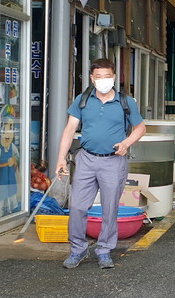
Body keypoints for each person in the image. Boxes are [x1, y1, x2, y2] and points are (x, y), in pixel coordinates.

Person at [57, 58, 146, 269]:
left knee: (109, 209)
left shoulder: (126, 102)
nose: (103, 80)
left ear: (114, 77)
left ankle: (105, 250)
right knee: (78, 207)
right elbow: (70, 130)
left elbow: (140, 128)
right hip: (86, 159)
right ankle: (77, 250)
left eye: (107, 76)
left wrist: (126, 143)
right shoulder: (83, 100)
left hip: (113, 161)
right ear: (92, 78)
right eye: (98, 77)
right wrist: (61, 158)